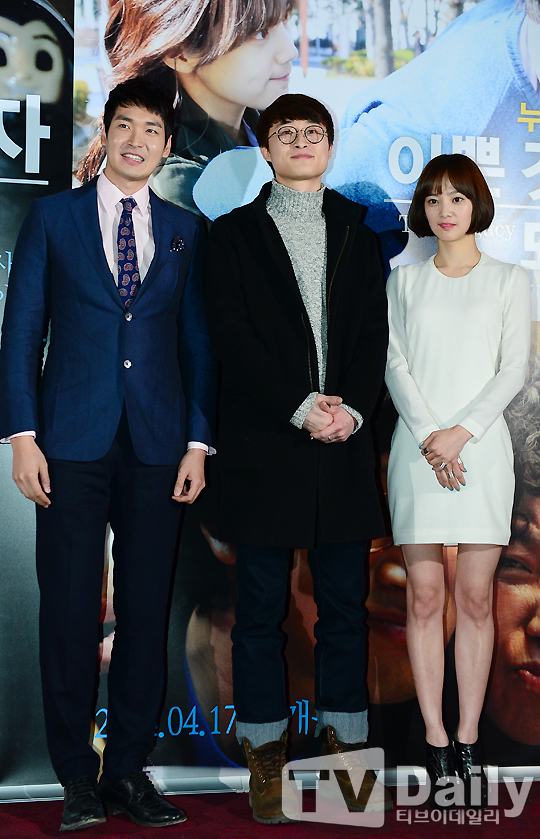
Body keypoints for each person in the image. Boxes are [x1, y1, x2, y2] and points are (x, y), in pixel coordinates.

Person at [0, 77, 215, 831]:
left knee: (146, 611)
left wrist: (197, 441)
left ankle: (126, 768)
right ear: (107, 132)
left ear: (166, 145)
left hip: (158, 444)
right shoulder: (53, 217)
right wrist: (22, 436)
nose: (136, 141)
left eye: (151, 131)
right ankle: (76, 778)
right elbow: (21, 333)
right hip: (68, 440)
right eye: (125, 125)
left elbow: (198, 346)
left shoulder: (185, 229)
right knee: (67, 610)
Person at [204, 92, 391, 823]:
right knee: (259, 614)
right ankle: (266, 758)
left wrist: (350, 411)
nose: (302, 142)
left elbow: (373, 339)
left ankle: (347, 754)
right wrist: (299, 405)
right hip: (265, 448)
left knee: (345, 611)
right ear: (268, 148)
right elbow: (233, 339)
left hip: (343, 446)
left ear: (330, 148)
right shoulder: (233, 235)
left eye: (315, 132)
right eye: (288, 133)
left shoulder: (358, 232)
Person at [385, 153, 530, 806]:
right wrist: (431, 435)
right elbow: (393, 365)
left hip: (483, 453)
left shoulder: (510, 280)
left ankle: (468, 736)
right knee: (423, 597)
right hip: (418, 453)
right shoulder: (404, 283)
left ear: (477, 206)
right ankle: (435, 736)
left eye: (458, 198)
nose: (445, 210)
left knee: (474, 599)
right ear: (423, 209)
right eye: (434, 198)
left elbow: (512, 369)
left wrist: (461, 432)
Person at [77, 0, 297, 219]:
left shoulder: (264, 130)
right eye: (260, 33)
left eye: (286, 20)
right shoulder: (177, 186)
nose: (290, 51)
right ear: (179, 52)